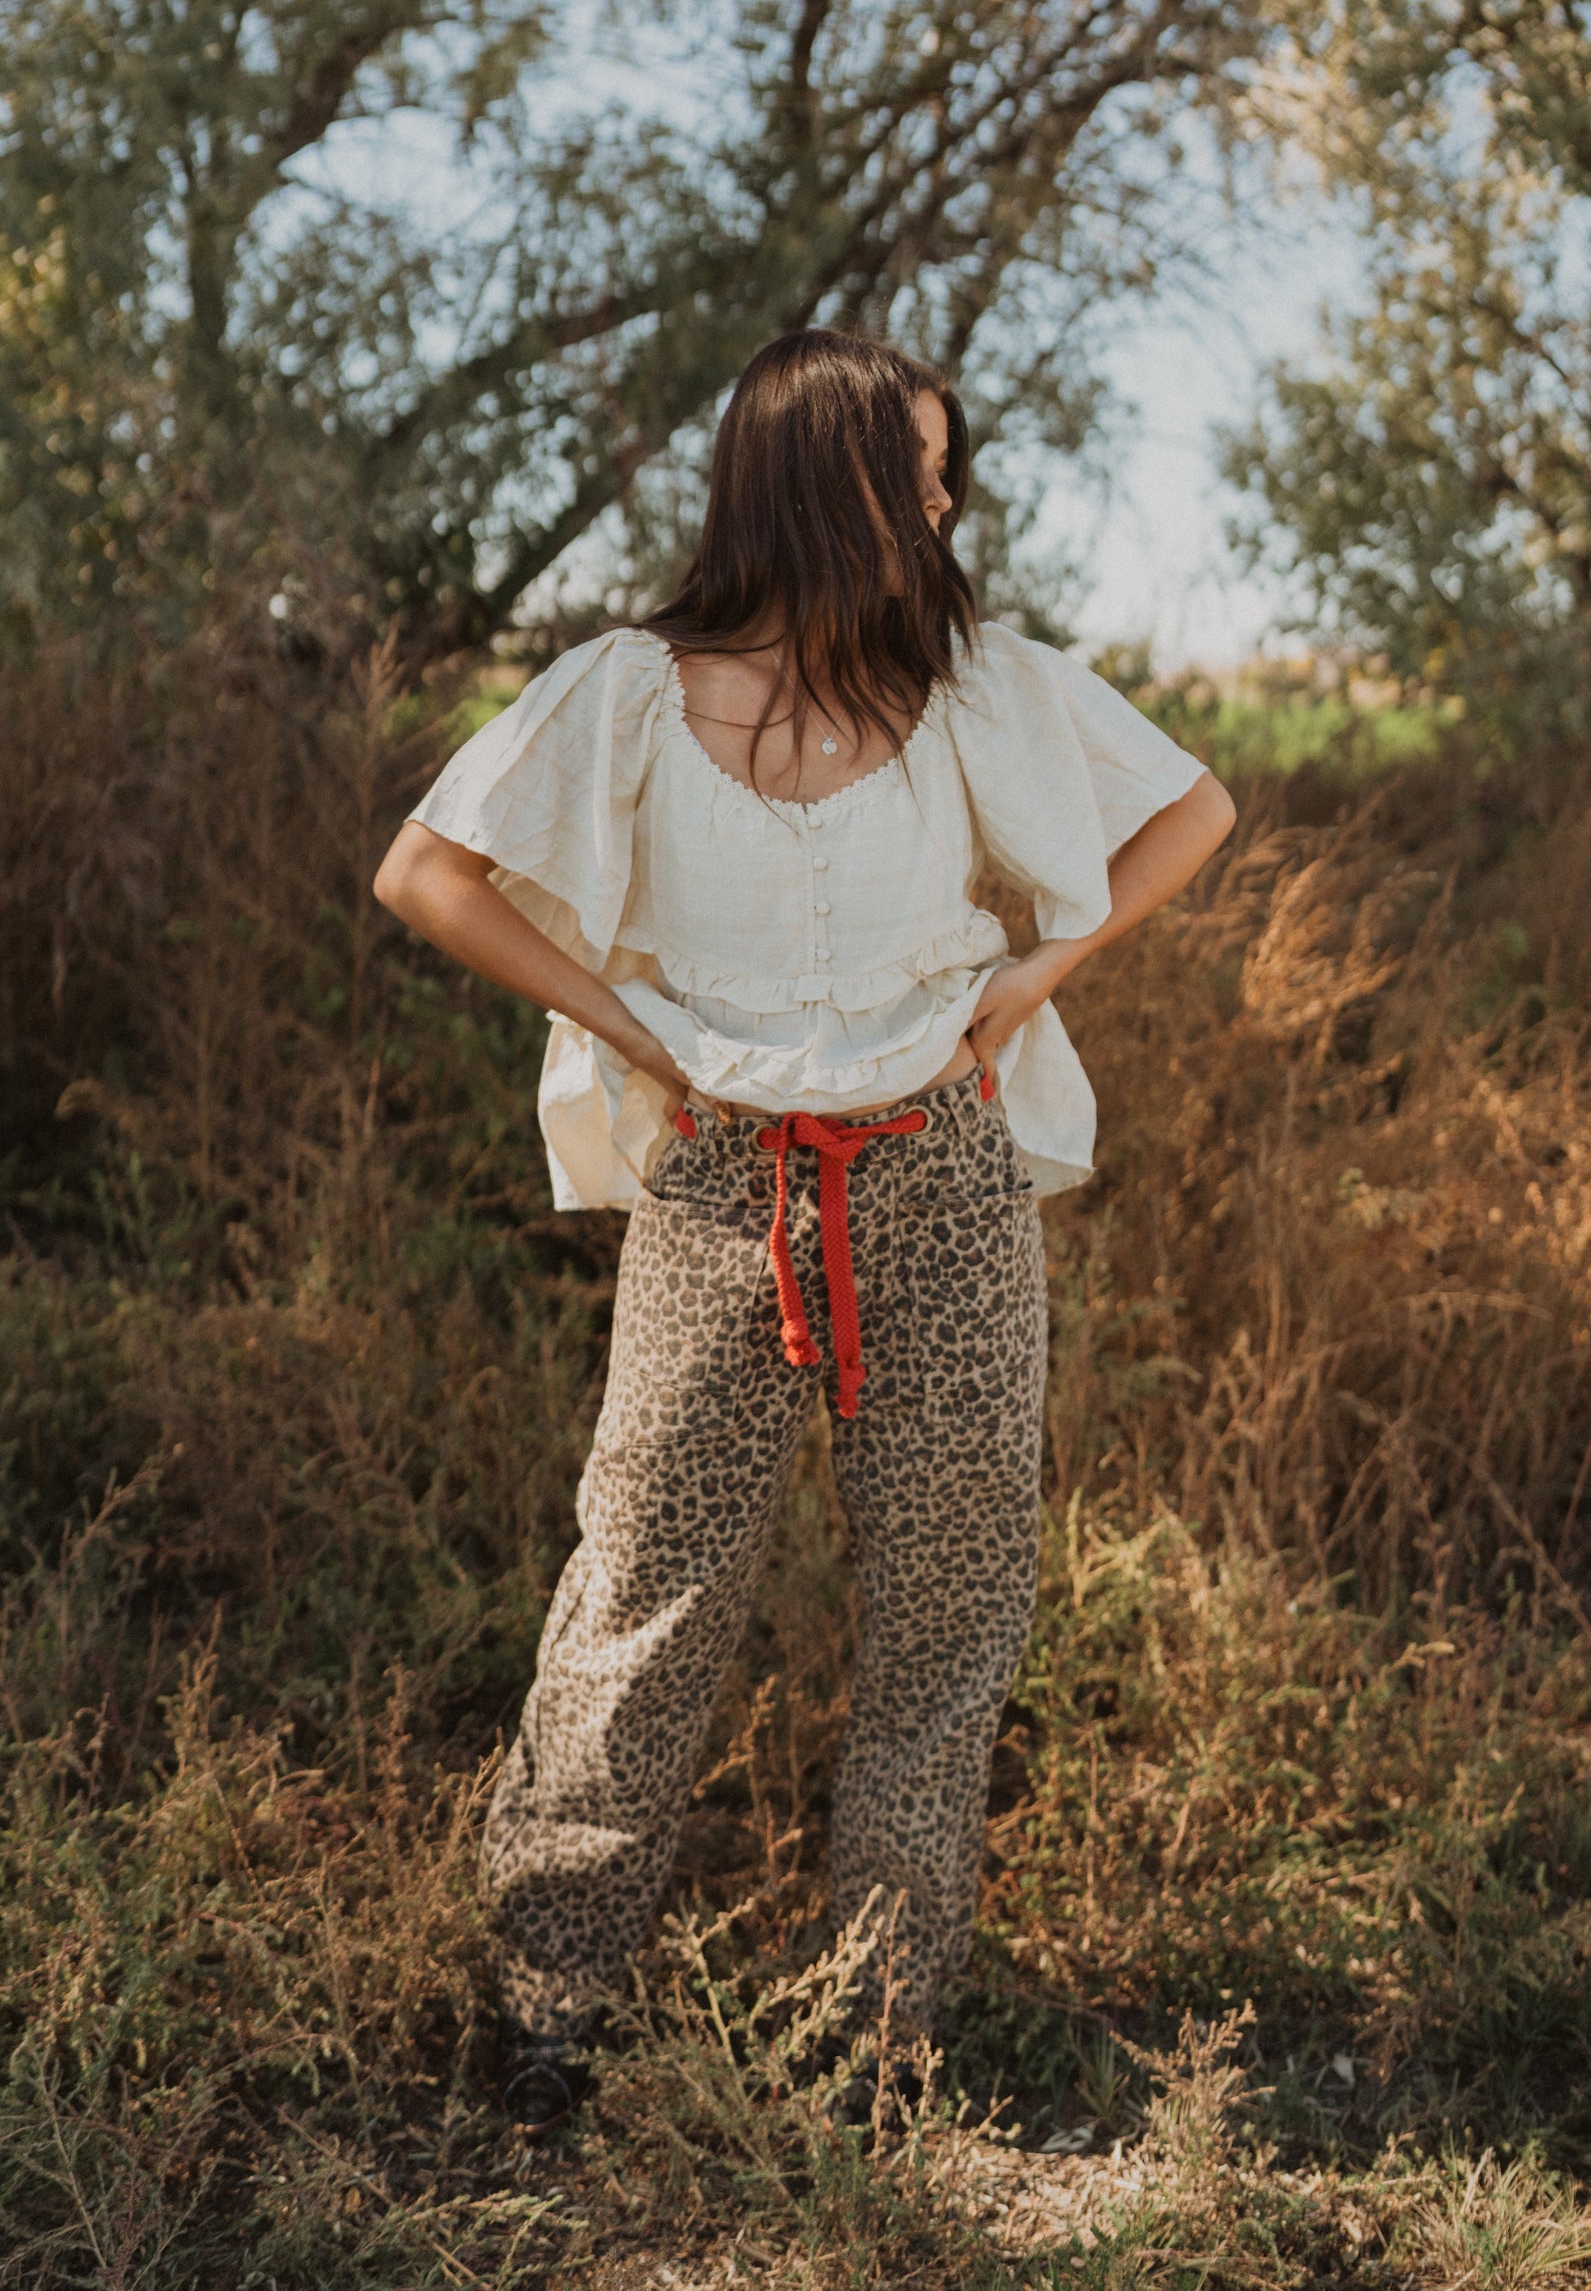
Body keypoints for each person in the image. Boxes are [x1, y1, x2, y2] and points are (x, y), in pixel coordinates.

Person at [374, 328, 1235, 2129]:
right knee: (645, 1589)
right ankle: (548, 2008)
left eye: (945, 471)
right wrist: (632, 1027)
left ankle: (877, 2042)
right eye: (912, 467)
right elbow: (426, 872)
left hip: (941, 1174)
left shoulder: (977, 684)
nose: (941, 501)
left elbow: (1195, 808)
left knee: (947, 1608)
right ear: (808, 477)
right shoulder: (626, 690)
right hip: (717, 1190)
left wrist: (1023, 987)